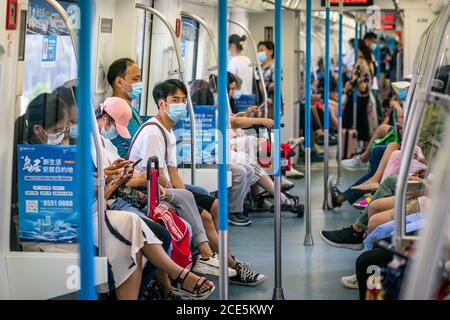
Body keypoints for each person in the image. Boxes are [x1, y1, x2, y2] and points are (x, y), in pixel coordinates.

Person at [128, 79, 268, 286]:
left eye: (184, 100)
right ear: (161, 104)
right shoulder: (152, 133)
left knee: (214, 205)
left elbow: (173, 171)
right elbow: (157, 177)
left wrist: (188, 198)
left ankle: (225, 260)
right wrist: (186, 201)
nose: (181, 104)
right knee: (204, 216)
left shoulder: (167, 130)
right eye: (175, 100)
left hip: (166, 186)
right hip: (149, 191)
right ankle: (219, 262)